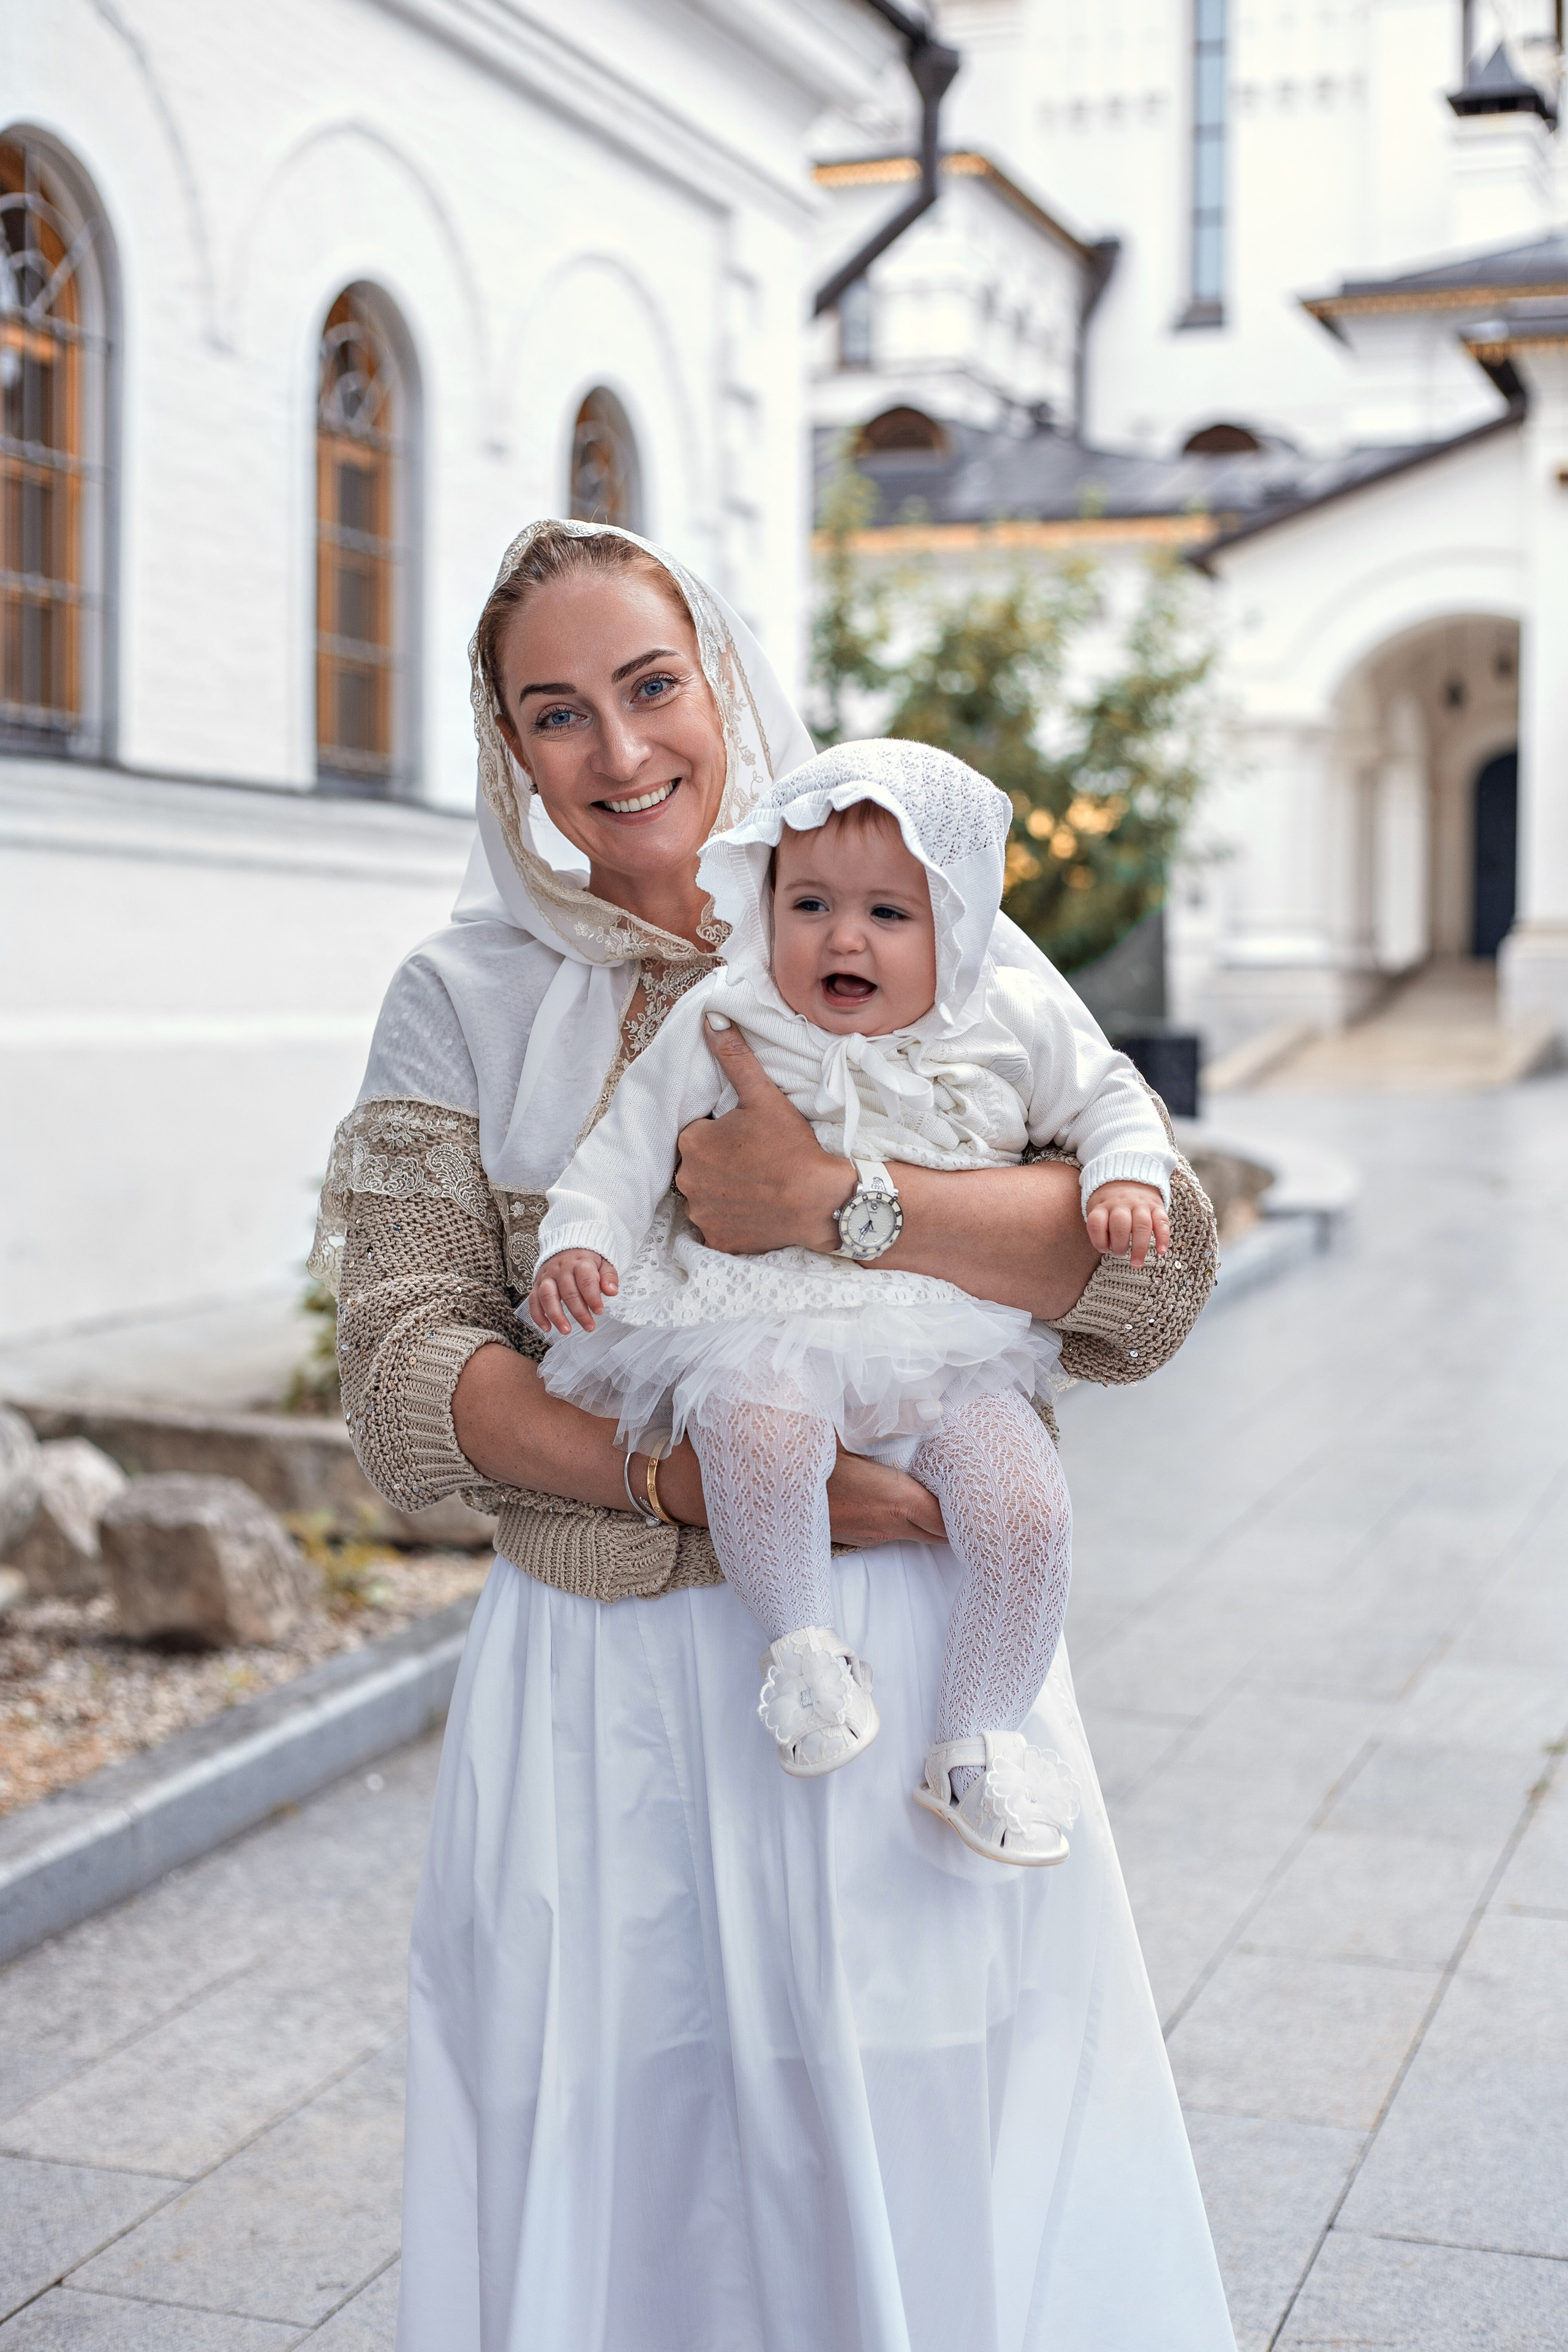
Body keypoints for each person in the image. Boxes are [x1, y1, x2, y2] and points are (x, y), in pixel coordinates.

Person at [312, 516, 1235, 2351]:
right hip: (618, 1679)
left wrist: (832, 1197)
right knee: (631, 2135)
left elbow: (1153, 1279)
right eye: (553, 713)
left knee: (917, 2113)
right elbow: (403, 1374)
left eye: (653, 686)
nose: (620, 749)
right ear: (508, 750)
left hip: (923, 1661)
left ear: (722, 678)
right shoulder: (463, 995)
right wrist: (685, 1490)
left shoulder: (892, 895)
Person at [527, 741, 1177, 1869]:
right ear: (765, 903)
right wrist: (581, 1239)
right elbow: (622, 1151)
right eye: (812, 903)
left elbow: (1116, 1092)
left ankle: (979, 1738)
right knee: (755, 1434)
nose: (843, 938)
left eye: (890, 912)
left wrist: (1125, 1174)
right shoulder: (731, 1015)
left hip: (947, 1339)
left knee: (1025, 1511)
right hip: (767, 1317)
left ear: (959, 928)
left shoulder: (1010, 1015)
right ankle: (803, 1652)